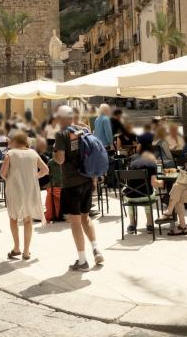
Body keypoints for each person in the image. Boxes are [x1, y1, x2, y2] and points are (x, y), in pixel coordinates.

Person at [53, 105, 104, 270]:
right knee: (86, 218)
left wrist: (54, 154)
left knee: (75, 221)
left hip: (71, 183)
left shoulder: (61, 134)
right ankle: (96, 248)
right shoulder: (83, 130)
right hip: (87, 180)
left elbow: (60, 159)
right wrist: (94, 179)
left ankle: (82, 261)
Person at [1, 132, 49, 260]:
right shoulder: (33, 153)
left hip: (14, 190)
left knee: (13, 218)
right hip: (30, 189)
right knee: (28, 219)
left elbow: (2, 173)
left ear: (15, 142)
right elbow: (45, 170)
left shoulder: (10, 154)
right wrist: (34, 177)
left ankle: (16, 248)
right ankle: (26, 252)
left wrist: (9, 178)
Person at [125, 148, 164, 234]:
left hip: (131, 198)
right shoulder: (152, 164)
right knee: (148, 193)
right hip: (146, 197)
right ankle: (149, 224)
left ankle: (132, 224)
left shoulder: (132, 163)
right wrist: (162, 183)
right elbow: (154, 183)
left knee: (130, 194)